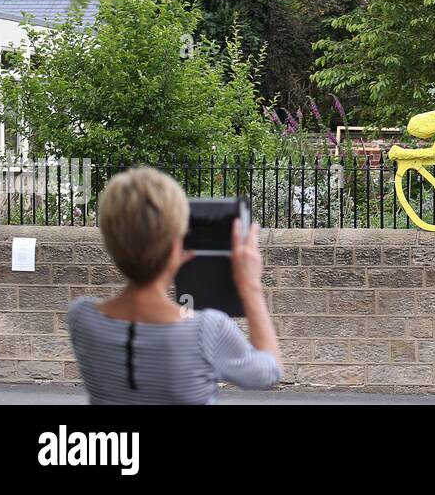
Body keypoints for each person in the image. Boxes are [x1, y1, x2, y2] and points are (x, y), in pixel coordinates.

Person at [67, 167, 282, 404]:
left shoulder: (81, 317)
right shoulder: (206, 330)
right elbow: (268, 372)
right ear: (177, 247)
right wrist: (250, 284)